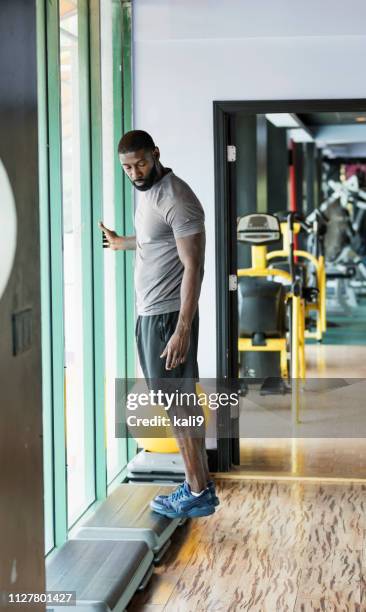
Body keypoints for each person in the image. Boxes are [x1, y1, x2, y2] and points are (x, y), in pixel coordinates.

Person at [98, 130, 219, 518]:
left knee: (179, 406)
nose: (134, 172)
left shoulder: (176, 197)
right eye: (127, 167)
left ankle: (197, 491)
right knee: (176, 404)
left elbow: (194, 266)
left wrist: (182, 328)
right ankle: (197, 484)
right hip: (153, 315)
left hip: (168, 318)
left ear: (156, 154)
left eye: (140, 163)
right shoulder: (150, 195)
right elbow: (157, 240)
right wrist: (123, 243)